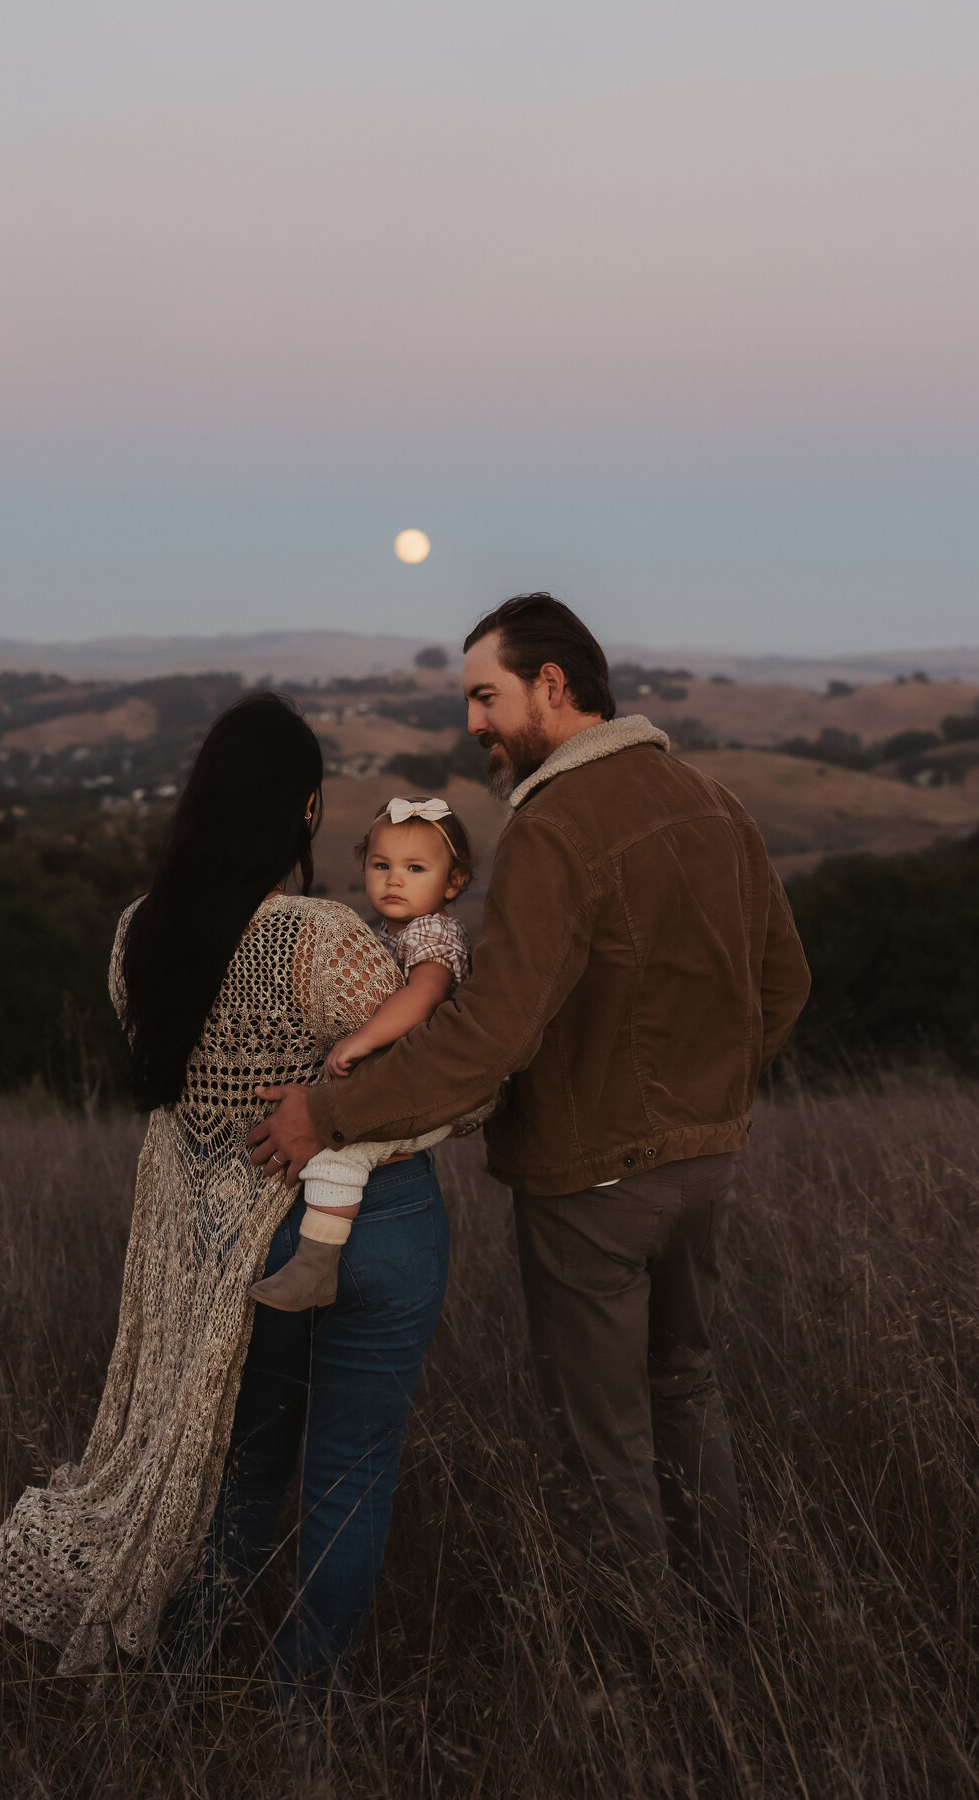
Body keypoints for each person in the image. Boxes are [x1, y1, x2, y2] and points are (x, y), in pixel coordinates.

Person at [248, 594, 811, 1613]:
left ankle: (648, 1674)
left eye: (485, 697)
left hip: (592, 1183)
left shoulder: (555, 827)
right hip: (705, 1164)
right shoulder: (713, 800)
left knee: (606, 1442)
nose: (473, 724)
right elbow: (785, 984)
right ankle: (730, 1633)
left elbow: (490, 1034)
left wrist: (327, 1117)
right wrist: (703, 1101)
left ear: (555, 685)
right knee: (684, 1388)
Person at [0, 694, 458, 1692]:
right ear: (308, 811)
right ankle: (299, 1707)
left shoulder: (137, 936)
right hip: (380, 1225)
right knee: (349, 1477)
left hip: (230, 1250)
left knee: (239, 1473)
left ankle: (185, 1677)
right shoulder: (325, 936)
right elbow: (447, 1089)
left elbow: (183, 1098)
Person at [249, 793, 475, 1312]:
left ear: (453, 883)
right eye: (381, 865)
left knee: (340, 1152)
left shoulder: (433, 933)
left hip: (428, 1086)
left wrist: (363, 1037)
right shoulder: (389, 933)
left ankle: (315, 1267)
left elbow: (423, 998)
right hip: (401, 1081)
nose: (394, 879)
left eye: (415, 868)